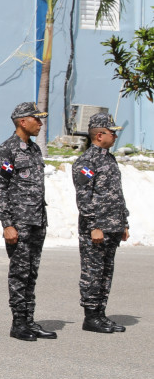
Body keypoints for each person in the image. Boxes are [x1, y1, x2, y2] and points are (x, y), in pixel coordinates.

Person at [0, 102, 56, 342]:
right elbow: (0, 188)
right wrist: (7, 223)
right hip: (19, 223)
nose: (40, 123)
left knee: (31, 273)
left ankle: (29, 319)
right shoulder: (7, 150)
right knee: (19, 274)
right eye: (36, 119)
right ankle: (18, 323)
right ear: (22, 121)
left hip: (37, 220)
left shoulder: (34, 149)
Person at [72, 112, 129, 334]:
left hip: (113, 226)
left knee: (106, 272)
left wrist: (124, 222)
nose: (115, 136)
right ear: (99, 135)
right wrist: (93, 226)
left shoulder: (109, 159)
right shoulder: (86, 162)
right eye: (112, 133)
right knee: (92, 272)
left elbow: (117, 194)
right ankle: (90, 317)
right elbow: (83, 197)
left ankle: (100, 314)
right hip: (96, 229)